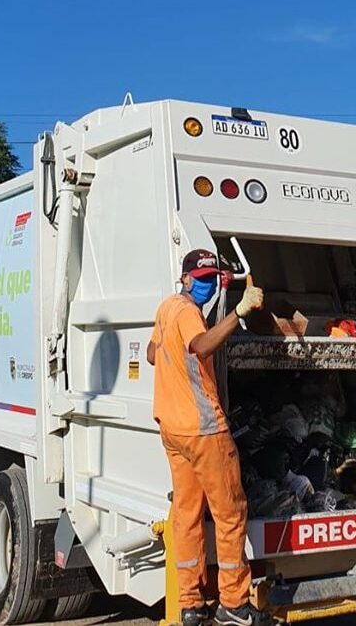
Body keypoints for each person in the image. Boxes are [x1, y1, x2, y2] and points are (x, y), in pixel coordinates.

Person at [146, 249, 270, 626]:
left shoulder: (167, 308)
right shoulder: (186, 312)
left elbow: (153, 354)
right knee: (230, 514)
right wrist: (239, 313)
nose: (205, 284)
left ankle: (190, 603)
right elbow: (201, 346)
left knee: (187, 515)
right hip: (203, 430)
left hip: (172, 429)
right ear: (185, 278)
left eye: (211, 278)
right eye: (200, 278)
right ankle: (233, 604)